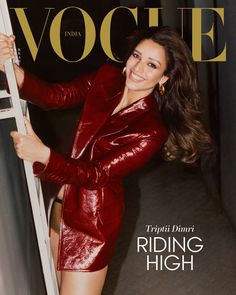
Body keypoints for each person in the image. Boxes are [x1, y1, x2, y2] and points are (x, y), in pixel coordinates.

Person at [0, 26, 213, 295]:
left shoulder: (151, 131)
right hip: (57, 208)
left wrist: (44, 155)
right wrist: (11, 69)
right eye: (136, 56)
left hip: (90, 226)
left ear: (165, 77)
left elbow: (96, 175)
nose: (137, 68)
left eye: (151, 64)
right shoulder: (106, 78)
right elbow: (56, 96)